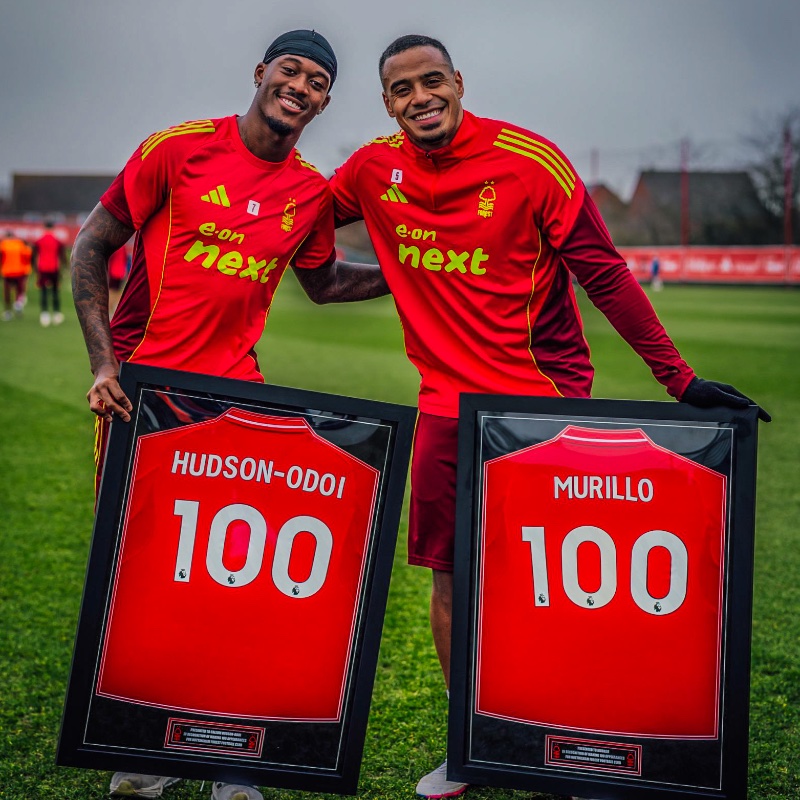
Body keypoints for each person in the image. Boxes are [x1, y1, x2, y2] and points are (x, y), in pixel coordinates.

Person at [328, 34, 770, 800]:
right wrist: (390, 274)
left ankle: (575, 741)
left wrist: (678, 379)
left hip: (540, 405)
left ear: (459, 83)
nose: (420, 97)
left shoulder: (533, 162)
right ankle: (473, 741)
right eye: (403, 89)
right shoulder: (371, 168)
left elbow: (603, 272)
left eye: (433, 81)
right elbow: (293, 225)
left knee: (552, 579)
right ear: (387, 102)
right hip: (443, 409)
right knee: (450, 577)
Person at [71, 28, 384, 800]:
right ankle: (144, 749)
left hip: (239, 400)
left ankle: (229, 757)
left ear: (324, 100)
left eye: (317, 81)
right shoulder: (176, 150)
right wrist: (105, 364)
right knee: (142, 571)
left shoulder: (311, 189)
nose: (301, 87)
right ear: (261, 73)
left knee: (232, 577)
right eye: (291, 71)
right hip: (145, 394)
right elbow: (91, 246)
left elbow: (323, 282)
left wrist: (406, 272)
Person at [32, 221, 66, 326]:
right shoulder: (57, 241)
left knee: (43, 292)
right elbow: (62, 257)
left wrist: (35, 269)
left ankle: (44, 315)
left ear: (44, 227)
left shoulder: (39, 241)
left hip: (42, 269)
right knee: (55, 292)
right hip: (54, 269)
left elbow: (33, 256)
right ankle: (56, 314)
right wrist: (64, 268)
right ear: (53, 228)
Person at [0, 230, 32, 321]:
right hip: (20, 271)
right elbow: (27, 256)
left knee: (7, 292)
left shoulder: (3, 245)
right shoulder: (20, 244)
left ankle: (7, 312)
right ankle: (18, 304)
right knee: (20, 290)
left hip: (7, 272)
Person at [106, 243, 129, 317]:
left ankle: (110, 312)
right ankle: (114, 310)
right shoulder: (123, 246)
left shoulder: (114, 246)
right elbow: (126, 259)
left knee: (111, 292)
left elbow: (109, 259)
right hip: (121, 272)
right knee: (117, 292)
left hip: (114, 272)